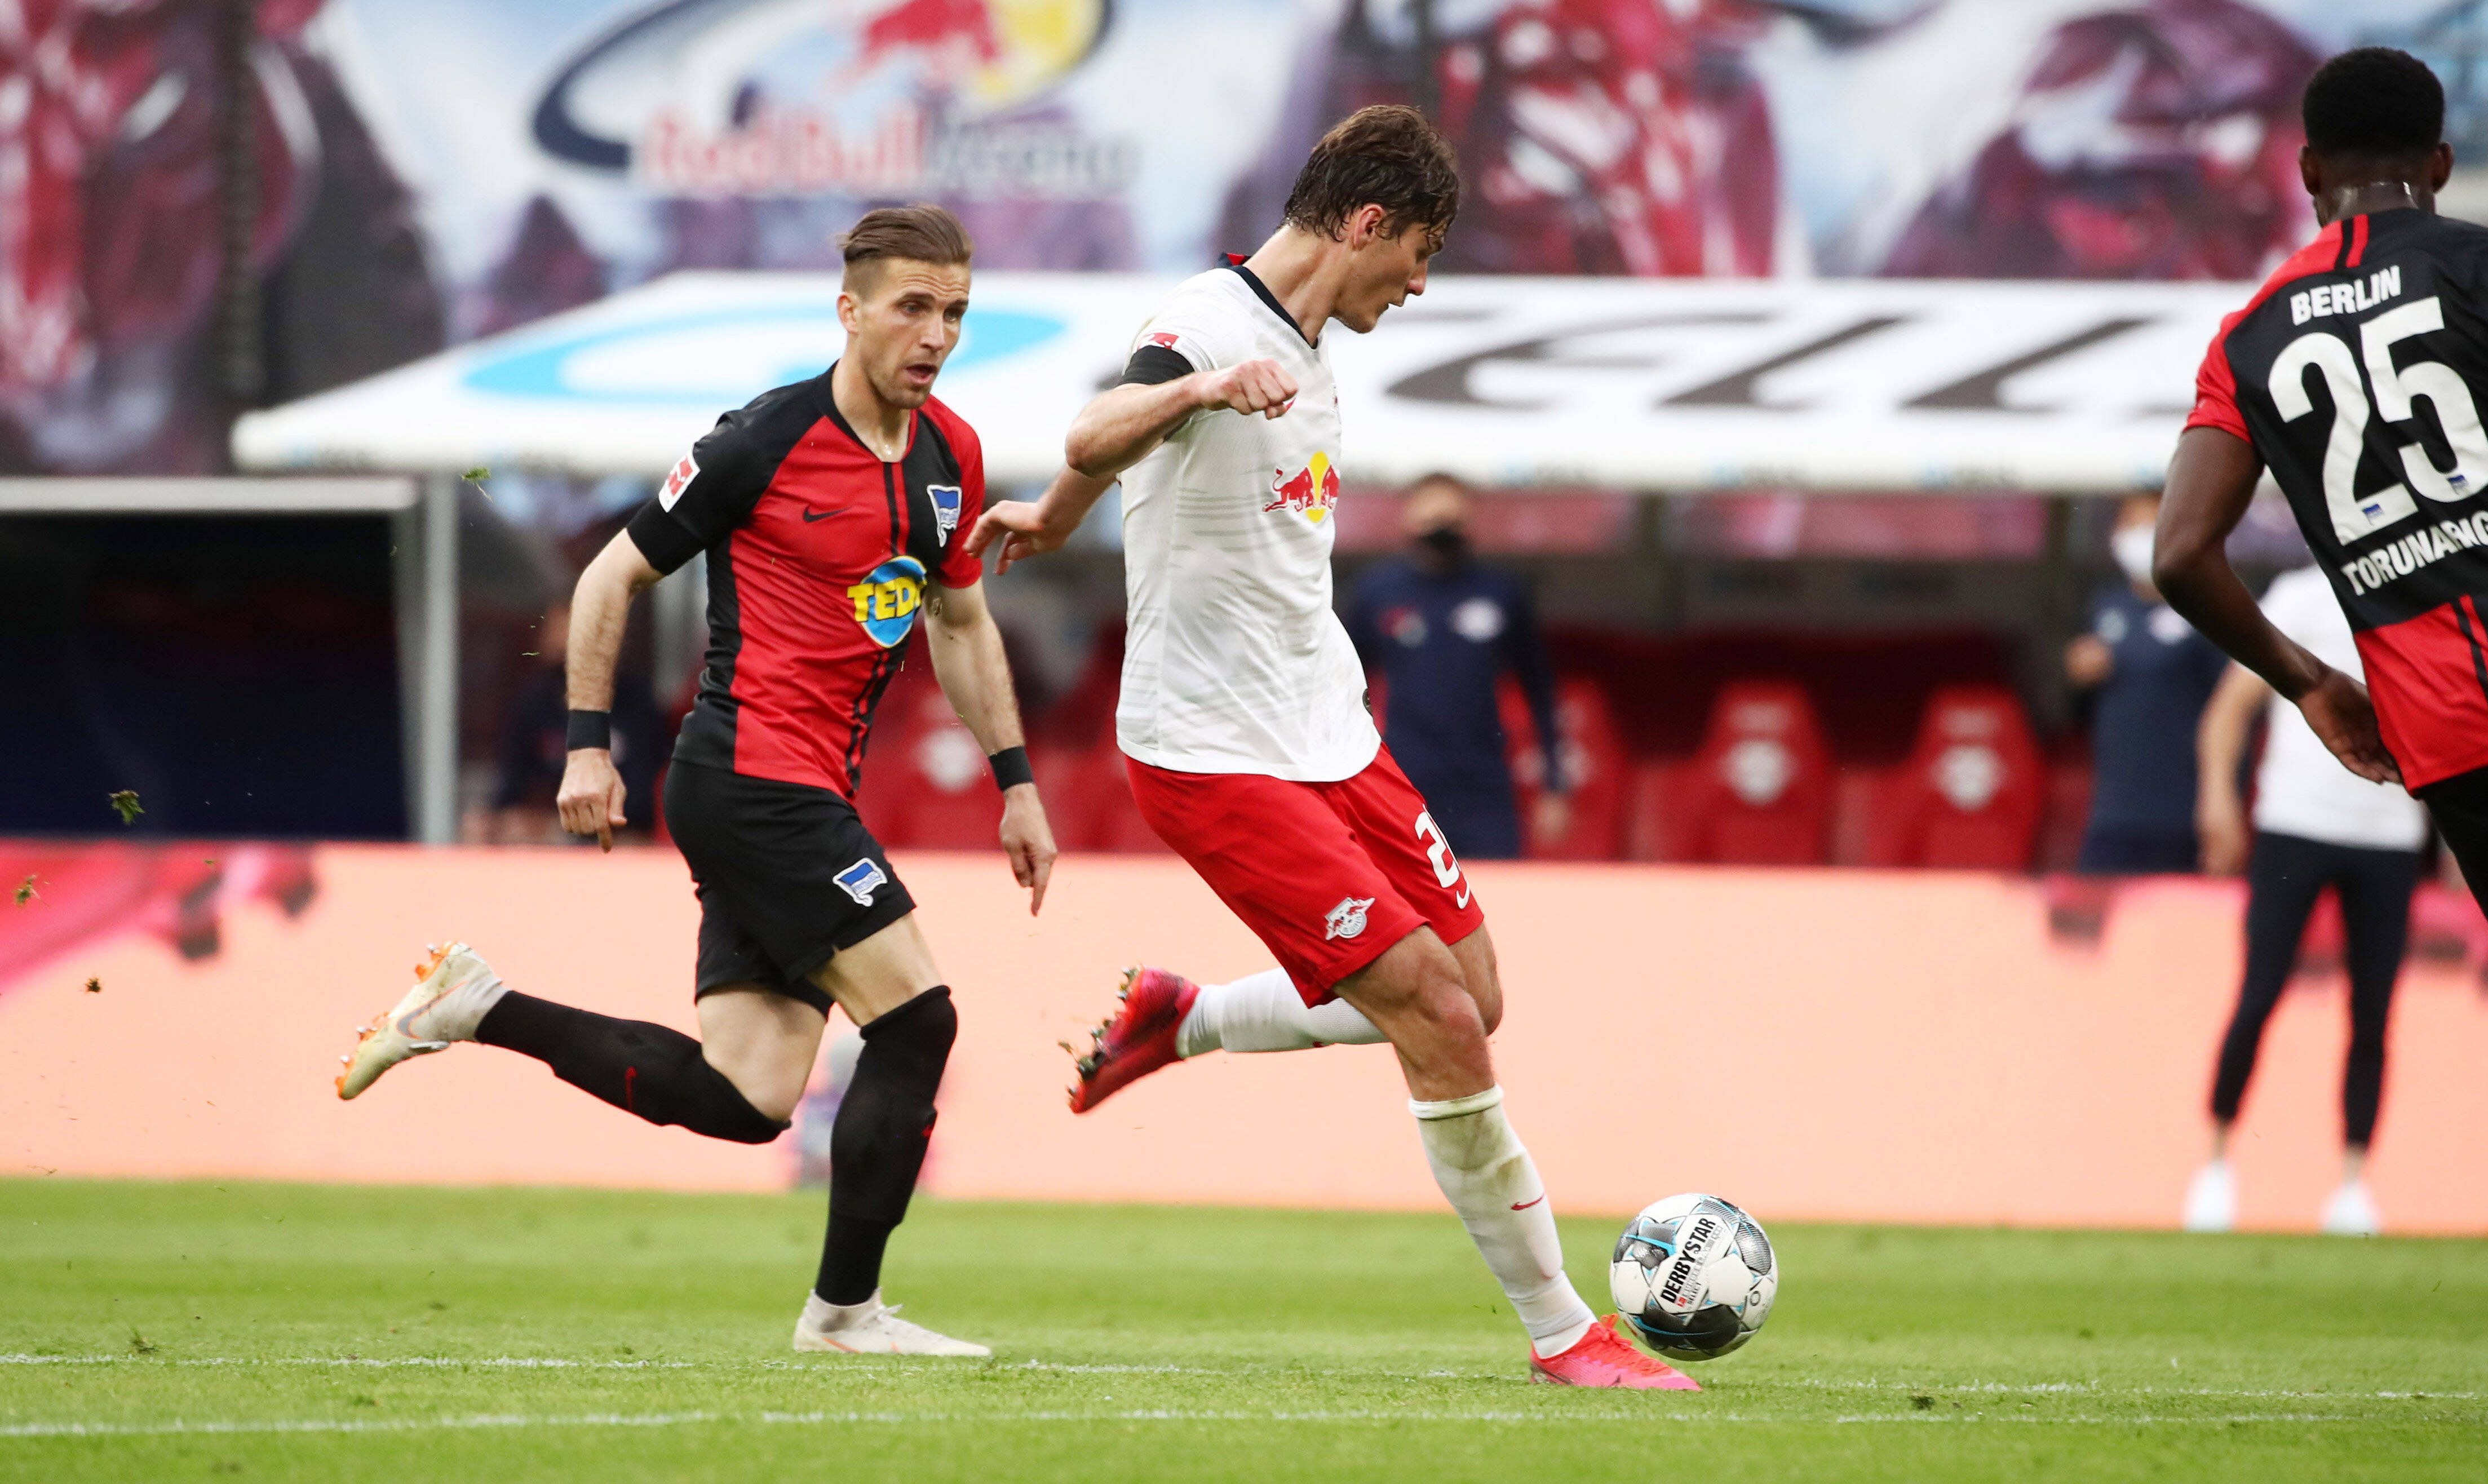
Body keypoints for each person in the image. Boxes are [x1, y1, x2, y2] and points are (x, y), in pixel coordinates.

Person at [966, 105, 1694, 1390]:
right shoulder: (1208, 327)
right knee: (1432, 1016)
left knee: (1476, 992)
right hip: (1211, 753)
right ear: (1365, 224)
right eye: (1414, 255)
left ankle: (1182, 1019)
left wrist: (1059, 518)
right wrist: (1174, 400)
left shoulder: (1305, 345)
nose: (1415, 284)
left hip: (1330, 728)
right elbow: (1099, 425)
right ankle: (1561, 1332)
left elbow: (1105, 468)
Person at [332, 206, 1056, 1359]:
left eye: (955, 312)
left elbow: (961, 623)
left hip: (810, 789)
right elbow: (608, 580)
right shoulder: (757, 441)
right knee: (918, 1020)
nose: (935, 334)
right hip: (748, 777)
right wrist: (584, 742)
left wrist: (1016, 781)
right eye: (913, 306)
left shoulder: (950, 455)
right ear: (851, 309)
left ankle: (475, 1004)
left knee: (746, 1094)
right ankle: (844, 1314)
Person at [2152, 47, 2488, 1438]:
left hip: (2443, 740)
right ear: (2436, 162)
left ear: (2305, 173)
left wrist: (2306, 681)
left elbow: (2178, 553)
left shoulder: (2246, 334)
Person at [2181, 566, 2430, 1238]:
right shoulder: (2297, 596)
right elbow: (2229, 710)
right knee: (2259, 992)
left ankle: (2352, 1183)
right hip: (2295, 824)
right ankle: (2214, 1164)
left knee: (2373, 1010)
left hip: (2388, 830)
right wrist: (2217, 800)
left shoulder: (2417, 590)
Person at [1343, 474, 1570, 859]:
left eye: (1451, 518)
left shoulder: (1500, 592)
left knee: (1498, 897)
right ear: (1409, 521)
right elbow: (1341, 689)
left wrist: (1554, 784)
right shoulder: (1378, 592)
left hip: (1484, 782)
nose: (1442, 529)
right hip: (1405, 778)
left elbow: (1540, 691)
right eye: (1432, 518)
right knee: (1407, 901)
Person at [2066, 493, 2226, 872]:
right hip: (2114, 810)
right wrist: (2078, 677)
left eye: (2151, 525)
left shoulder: (2209, 609)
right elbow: (2075, 711)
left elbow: (2231, 712)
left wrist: (2220, 801)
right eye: (2131, 526)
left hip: (2180, 812)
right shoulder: (2105, 606)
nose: (2140, 537)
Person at [471, 603, 663, 845]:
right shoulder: (535, 702)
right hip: (546, 829)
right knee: (484, 830)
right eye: (560, 630)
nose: (567, 642)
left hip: (613, 830)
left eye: (576, 630)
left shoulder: (636, 704)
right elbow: (511, 784)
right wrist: (498, 818)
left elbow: (642, 801)